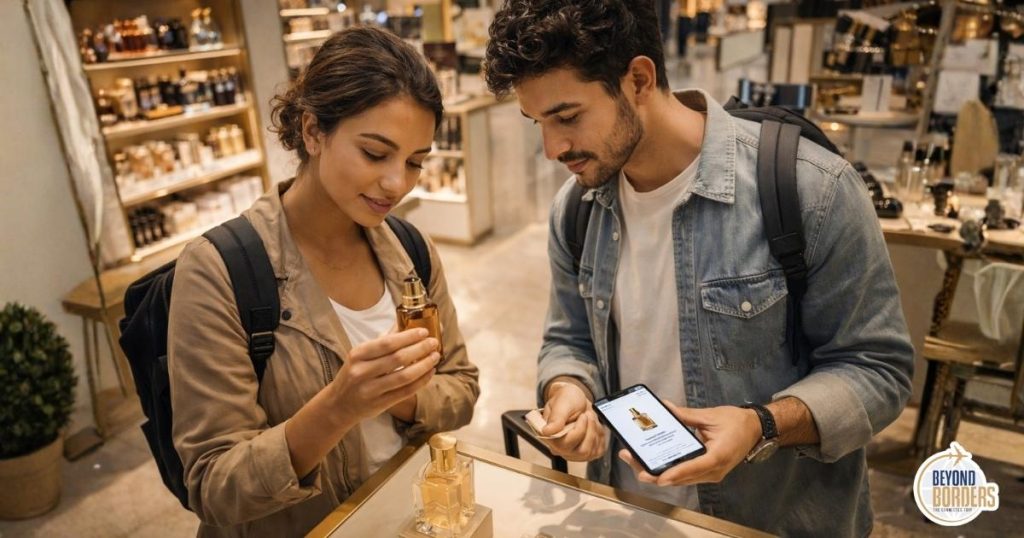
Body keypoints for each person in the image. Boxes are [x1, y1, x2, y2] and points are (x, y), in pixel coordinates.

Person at [484, 1, 913, 536]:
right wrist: (568, 391)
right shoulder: (576, 210)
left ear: (639, 79)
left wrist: (762, 426)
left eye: (567, 117)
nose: (552, 148)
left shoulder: (810, 188)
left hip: (772, 520)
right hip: (630, 513)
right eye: (538, 123)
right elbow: (569, 338)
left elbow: (878, 368)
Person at [168, 27, 479, 537]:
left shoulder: (410, 252)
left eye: (416, 162)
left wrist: (398, 396)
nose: (396, 183)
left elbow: (462, 387)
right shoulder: (217, 271)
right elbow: (214, 486)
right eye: (376, 154)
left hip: (406, 517)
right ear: (313, 131)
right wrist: (339, 407)